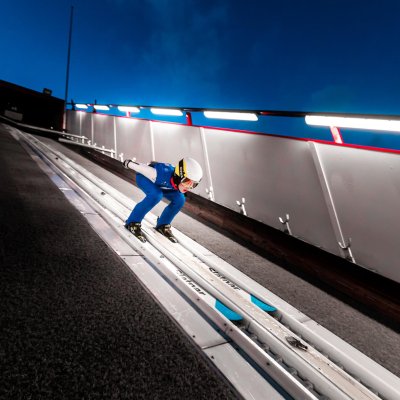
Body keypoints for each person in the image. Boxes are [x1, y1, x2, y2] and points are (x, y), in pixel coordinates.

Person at [122, 157, 203, 243]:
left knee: (180, 199)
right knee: (156, 195)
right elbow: (142, 168)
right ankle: (133, 222)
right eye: (187, 182)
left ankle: (163, 224)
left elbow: (176, 188)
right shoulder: (159, 173)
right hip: (145, 178)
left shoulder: (177, 182)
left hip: (165, 185)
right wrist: (129, 163)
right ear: (179, 176)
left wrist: (185, 183)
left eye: (194, 184)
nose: (189, 187)